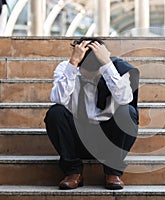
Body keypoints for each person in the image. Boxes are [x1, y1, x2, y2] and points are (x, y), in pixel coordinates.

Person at [44, 37, 139, 190]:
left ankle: (112, 172)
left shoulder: (116, 69)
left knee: (127, 112)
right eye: (85, 71)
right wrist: (74, 63)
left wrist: (107, 65)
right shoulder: (66, 67)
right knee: (56, 113)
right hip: (76, 138)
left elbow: (125, 98)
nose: (89, 75)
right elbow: (58, 98)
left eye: (95, 71)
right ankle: (73, 172)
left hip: (108, 139)